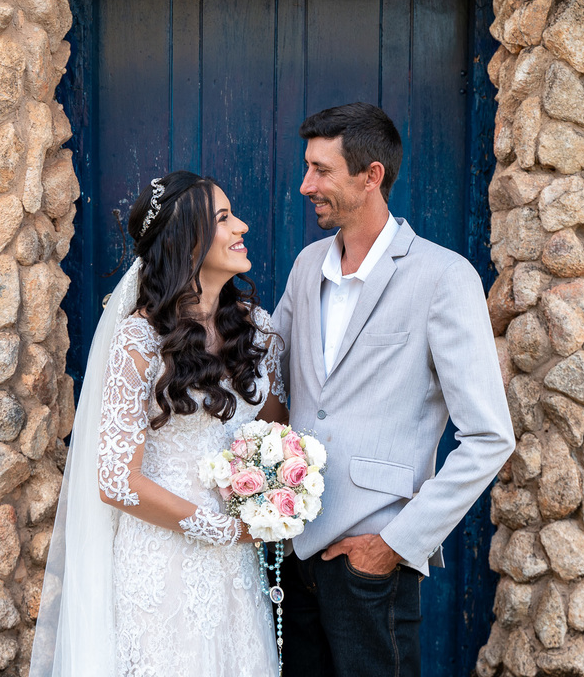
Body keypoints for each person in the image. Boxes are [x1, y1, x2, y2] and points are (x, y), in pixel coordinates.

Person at [272, 102, 515, 676]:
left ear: (371, 175)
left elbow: (489, 436)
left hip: (371, 563)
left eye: (322, 170)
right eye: (307, 168)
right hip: (292, 554)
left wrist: (395, 545)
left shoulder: (443, 277)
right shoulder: (308, 267)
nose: (306, 184)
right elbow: (267, 368)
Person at [29, 171, 286, 677]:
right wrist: (218, 528)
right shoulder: (138, 342)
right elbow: (116, 480)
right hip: (164, 558)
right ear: (187, 239)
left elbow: (276, 433)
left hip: (238, 564)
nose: (243, 226)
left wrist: (277, 493)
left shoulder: (258, 329)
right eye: (224, 218)